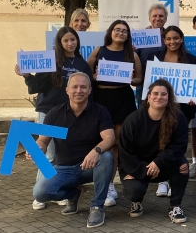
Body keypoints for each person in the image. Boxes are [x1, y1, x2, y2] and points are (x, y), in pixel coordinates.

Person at [15, 26, 93, 210]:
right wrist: (27, 76)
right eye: (65, 40)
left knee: (59, 155)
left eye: (73, 40)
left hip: (70, 114)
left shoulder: (82, 64)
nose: (69, 43)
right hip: (48, 111)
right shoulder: (50, 60)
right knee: (47, 154)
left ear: (77, 41)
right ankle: (40, 194)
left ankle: (56, 190)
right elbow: (39, 85)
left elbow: (90, 88)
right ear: (59, 42)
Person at [30, 72, 115, 228]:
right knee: (40, 193)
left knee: (106, 157)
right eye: (74, 87)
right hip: (64, 168)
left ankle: (97, 207)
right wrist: (38, 148)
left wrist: (96, 151)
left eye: (83, 87)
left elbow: (109, 138)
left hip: (89, 166)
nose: (79, 91)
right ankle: (73, 194)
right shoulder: (55, 113)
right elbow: (43, 140)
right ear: (67, 90)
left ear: (90, 90)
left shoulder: (99, 111)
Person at [87, 20, 143, 206]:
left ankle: (111, 185)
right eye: (117, 29)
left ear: (128, 35)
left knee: (117, 143)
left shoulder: (131, 54)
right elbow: (86, 75)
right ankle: (103, 182)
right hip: (102, 98)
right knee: (103, 142)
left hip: (123, 99)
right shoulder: (98, 51)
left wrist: (131, 79)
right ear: (111, 32)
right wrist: (93, 78)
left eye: (124, 31)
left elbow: (139, 79)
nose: (120, 33)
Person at [119, 79, 190, 224]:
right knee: (134, 190)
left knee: (183, 165)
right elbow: (125, 151)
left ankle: (175, 206)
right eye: (155, 94)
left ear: (169, 98)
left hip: (163, 164)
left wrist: (158, 162)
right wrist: (143, 170)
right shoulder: (133, 120)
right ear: (148, 97)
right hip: (138, 166)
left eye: (164, 94)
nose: (159, 97)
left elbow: (179, 146)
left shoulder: (178, 117)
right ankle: (136, 202)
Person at [152, 26, 196, 195]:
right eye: (169, 39)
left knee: (177, 142)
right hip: (160, 107)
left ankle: (173, 178)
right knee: (161, 140)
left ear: (181, 39)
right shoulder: (156, 58)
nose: (172, 42)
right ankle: (162, 180)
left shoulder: (191, 59)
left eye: (176, 38)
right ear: (164, 40)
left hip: (183, 108)